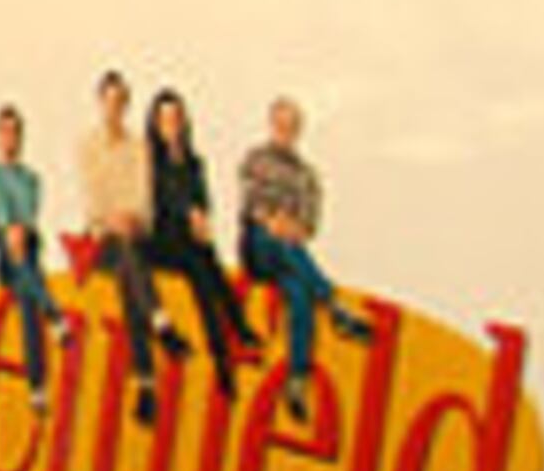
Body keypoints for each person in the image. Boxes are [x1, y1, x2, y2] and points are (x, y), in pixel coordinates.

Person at [238, 94, 373, 415]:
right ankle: (335, 307)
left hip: (290, 250)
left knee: (300, 296)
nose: (286, 131)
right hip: (258, 246)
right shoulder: (255, 159)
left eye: (292, 126)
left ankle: (297, 380)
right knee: (282, 245)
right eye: (281, 124)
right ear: (272, 124)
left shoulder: (307, 176)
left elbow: (310, 222)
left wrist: (293, 226)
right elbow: (250, 204)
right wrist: (274, 221)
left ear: (299, 130)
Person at [73, 69, 180, 424]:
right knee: (127, 262)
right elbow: (91, 202)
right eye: (109, 101)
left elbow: (144, 198)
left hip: (132, 237)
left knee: (129, 280)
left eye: (121, 101)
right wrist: (110, 221)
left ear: (127, 104)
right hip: (102, 240)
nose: (115, 107)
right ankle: (160, 322)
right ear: (100, 103)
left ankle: (146, 384)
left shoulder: (139, 147)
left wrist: (133, 218)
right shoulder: (87, 146)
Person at [143, 87, 256, 399]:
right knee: (201, 265)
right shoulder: (150, 160)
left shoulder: (194, 163)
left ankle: (233, 339)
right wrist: (191, 214)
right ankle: (229, 345)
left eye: (176, 117)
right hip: (160, 239)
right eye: (164, 118)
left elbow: (203, 200)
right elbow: (163, 200)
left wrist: (202, 217)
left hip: (190, 239)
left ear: (184, 121)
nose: (171, 123)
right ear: (155, 123)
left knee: (208, 266)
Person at [0, 103, 61, 398]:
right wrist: (12, 232)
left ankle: (37, 386)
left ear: (21, 137)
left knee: (29, 305)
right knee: (18, 260)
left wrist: (20, 232)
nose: (9, 138)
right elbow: (2, 216)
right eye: (3, 132)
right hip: (5, 252)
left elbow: (28, 215)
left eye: (14, 132)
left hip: (28, 249)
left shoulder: (31, 179)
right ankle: (54, 313)